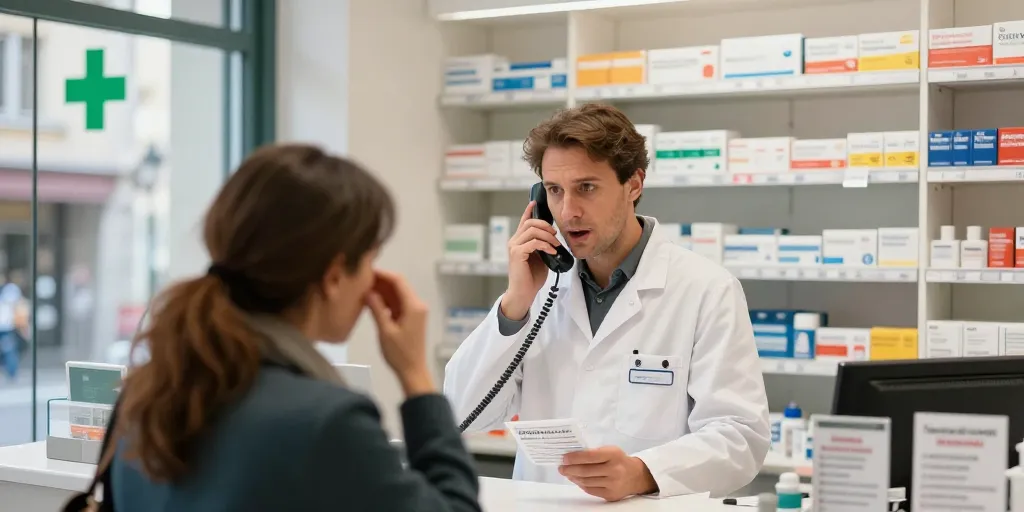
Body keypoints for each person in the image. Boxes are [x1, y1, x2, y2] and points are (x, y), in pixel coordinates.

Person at [82, 144, 482, 511]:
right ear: (334, 276)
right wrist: (416, 377)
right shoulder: (326, 423)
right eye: (369, 261)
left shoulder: (147, 393)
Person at [443, 104, 770, 502]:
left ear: (633, 185)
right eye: (554, 191)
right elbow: (460, 412)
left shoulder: (706, 290)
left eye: (587, 187)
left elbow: (740, 438)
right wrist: (514, 305)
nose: (568, 212)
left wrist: (643, 472)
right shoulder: (535, 290)